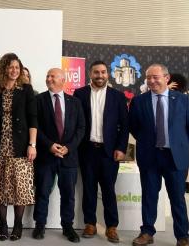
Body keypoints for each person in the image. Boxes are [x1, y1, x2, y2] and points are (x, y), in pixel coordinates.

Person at [129, 64, 189, 246]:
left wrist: (179, 145)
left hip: (175, 158)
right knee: (149, 196)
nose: (152, 81)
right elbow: (135, 128)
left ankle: (182, 236)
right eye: (148, 77)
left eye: (156, 77)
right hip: (150, 157)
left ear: (166, 78)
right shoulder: (139, 101)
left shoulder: (183, 100)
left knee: (177, 198)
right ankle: (147, 233)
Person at [73, 61, 129, 243]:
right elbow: (76, 123)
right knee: (88, 189)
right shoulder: (79, 94)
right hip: (87, 150)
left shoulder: (118, 96)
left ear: (108, 74)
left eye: (103, 72)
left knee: (108, 190)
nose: (100, 75)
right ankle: (90, 223)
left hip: (109, 152)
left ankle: (111, 227)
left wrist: (121, 148)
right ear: (90, 74)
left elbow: (124, 126)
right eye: (96, 72)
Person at [0, 53, 37, 241]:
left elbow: (33, 119)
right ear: (4, 69)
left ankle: (18, 224)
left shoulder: (26, 89)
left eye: (17, 67)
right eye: (10, 67)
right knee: (0, 187)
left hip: (21, 146)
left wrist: (32, 144)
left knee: (20, 188)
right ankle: (3, 225)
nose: (14, 70)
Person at [32, 68, 85, 243]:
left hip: (68, 157)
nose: (48, 79)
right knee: (42, 192)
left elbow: (81, 128)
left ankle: (67, 227)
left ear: (63, 80)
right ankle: (40, 225)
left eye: (52, 76)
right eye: (47, 76)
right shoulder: (38, 100)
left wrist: (68, 148)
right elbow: (35, 127)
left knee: (68, 194)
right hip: (46, 156)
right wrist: (49, 146)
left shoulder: (75, 102)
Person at [168, 73, 189, 193]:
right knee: (188, 157)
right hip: (184, 136)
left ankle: (186, 182)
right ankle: (187, 182)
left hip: (181, 136)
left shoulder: (183, 98)